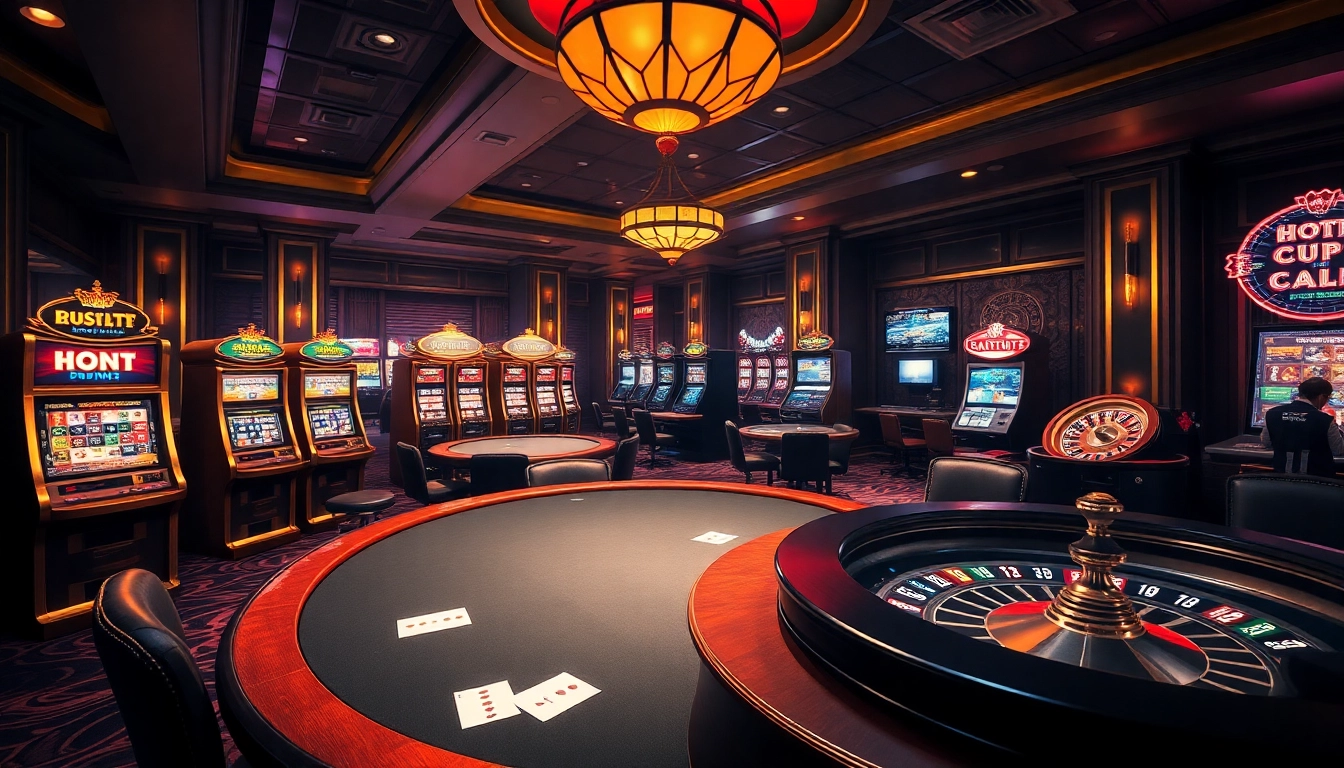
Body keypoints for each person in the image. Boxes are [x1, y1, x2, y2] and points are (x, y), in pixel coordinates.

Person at [1259, 377, 1344, 477]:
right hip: (1319, 482)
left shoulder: (1272, 414)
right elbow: (1338, 450)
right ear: (1321, 397)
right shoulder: (1325, 420)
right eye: (1327, 398)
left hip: (1281, 479)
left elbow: (1266, 442)